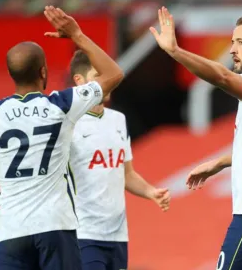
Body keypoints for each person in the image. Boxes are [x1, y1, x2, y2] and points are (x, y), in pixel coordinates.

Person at [0, 6, 124, 270]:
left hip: (11, 232)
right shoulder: (62, 104)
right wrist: (77, 34)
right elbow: (114, 74)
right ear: (43, 72)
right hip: (55, 227)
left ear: (11, 75)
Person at [150, 7, 242, 269]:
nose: (232, 49)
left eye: (241, 42)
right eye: (232, 41)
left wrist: (175, 51)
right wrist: (220, 162)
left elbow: (221, 76)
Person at [68, 50, 171, 270]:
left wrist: (150, 192)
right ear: (79, 81)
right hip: (83, 234)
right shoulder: (68, 124)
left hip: (117, 237)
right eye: (98, 75)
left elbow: (127, 174)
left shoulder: (118, 119)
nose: (107, 83)